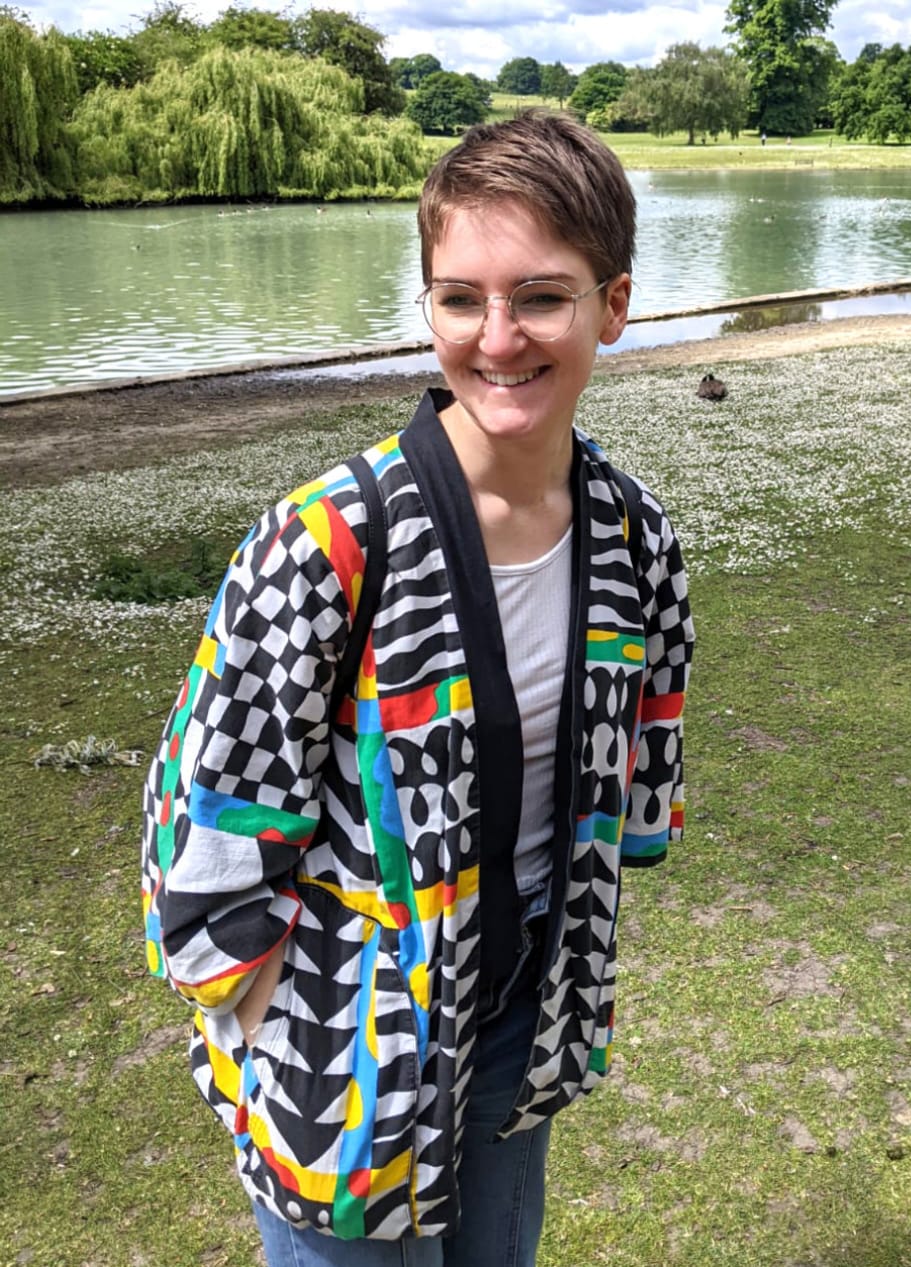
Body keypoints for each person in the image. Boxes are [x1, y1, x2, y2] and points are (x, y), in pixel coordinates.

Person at [141, 109, 694, 1267]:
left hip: (520, 1008)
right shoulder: (329, 540)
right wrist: (270, 1005)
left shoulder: (631, 534)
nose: (496, 338)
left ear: (614, 304)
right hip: (341, 1036)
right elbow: (209, 807)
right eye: (459, 298)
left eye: (539, 295)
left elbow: (638, 762)